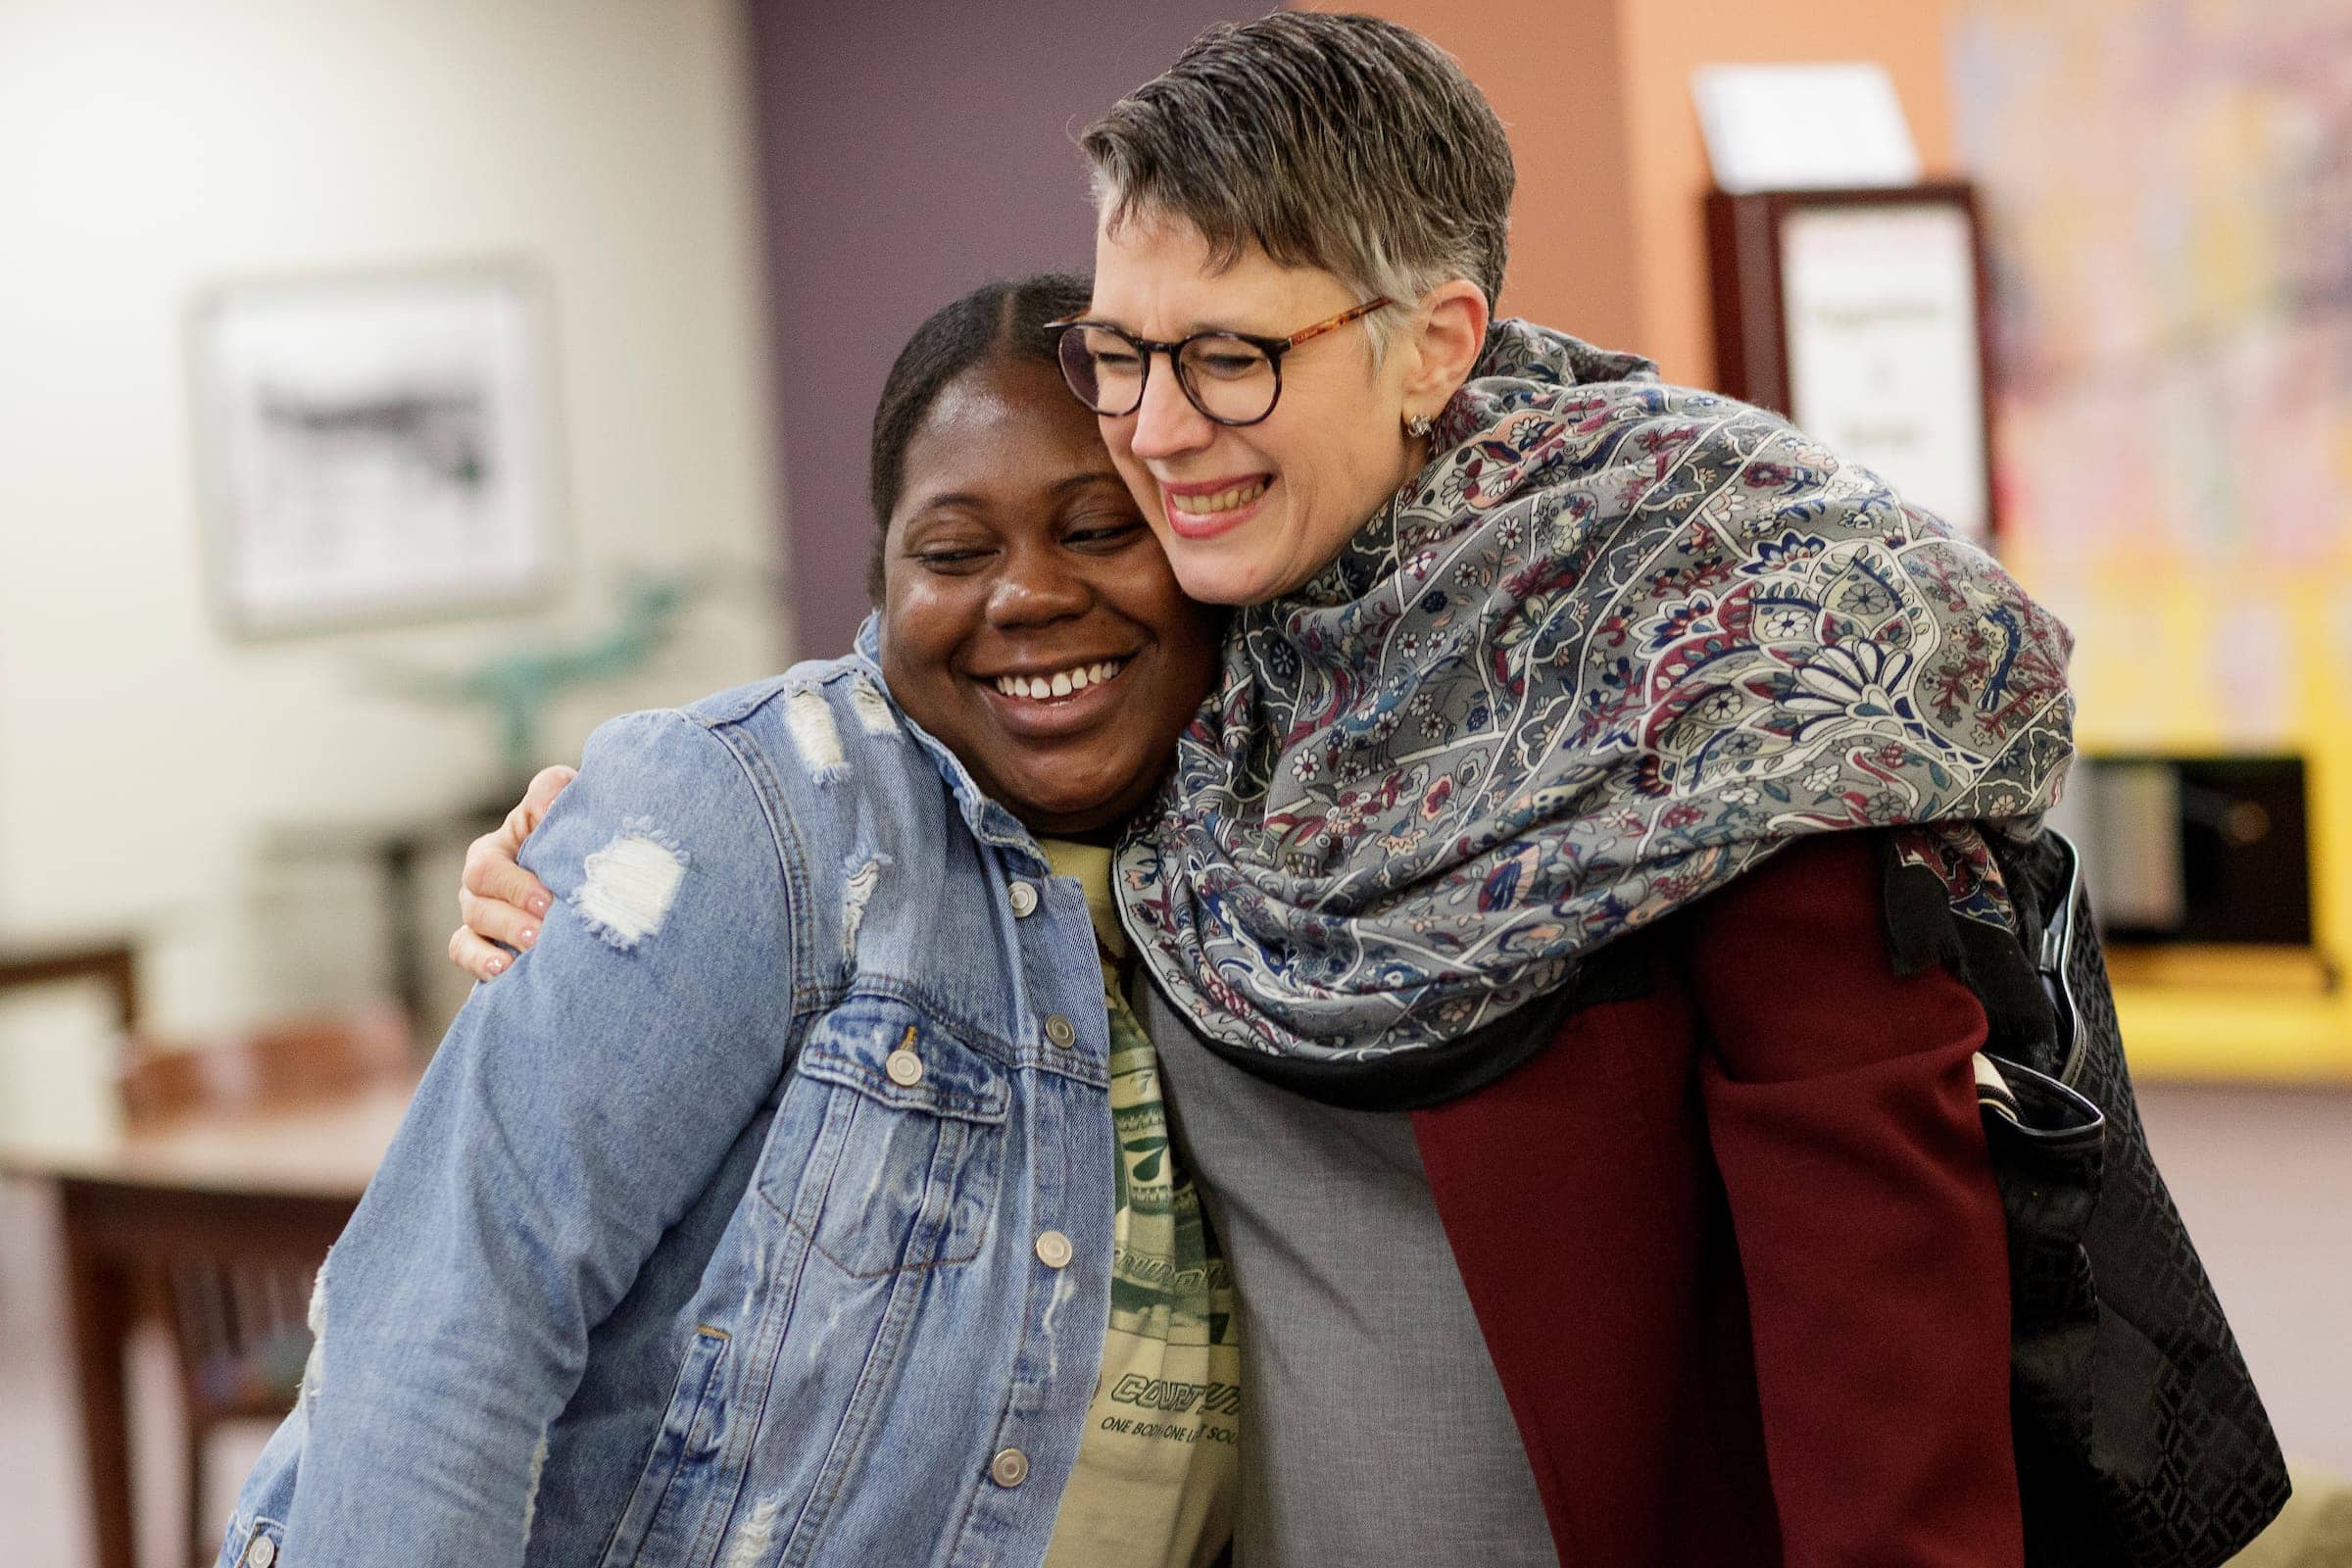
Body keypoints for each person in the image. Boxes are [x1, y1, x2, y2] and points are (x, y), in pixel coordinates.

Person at [455, 14, 2079, 1567]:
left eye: (1227, 356)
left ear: (1434, 343)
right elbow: (912, 751)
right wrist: (613, 844)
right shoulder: (1239, 651)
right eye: (1120, 352)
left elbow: (1887, 1358)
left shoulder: (1706, 687)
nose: (1155, 434)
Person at [220, 276, 1242, 1568]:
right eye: (954, 550)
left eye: (1101, 529)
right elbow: (446, 1334)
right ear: (881, 577)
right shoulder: (751, 815)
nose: (1028, 594)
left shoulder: (1280, 865)